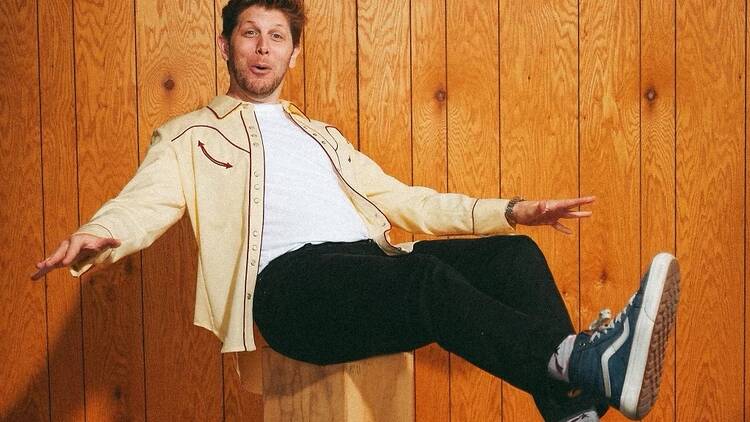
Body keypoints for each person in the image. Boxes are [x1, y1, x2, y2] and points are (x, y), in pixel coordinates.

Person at [31, 0, 680, 420]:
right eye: (249, 34)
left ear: (292, 52)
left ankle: (572, 402)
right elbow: (144, 201)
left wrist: (511, 211)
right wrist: (98, 233)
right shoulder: (189, 137)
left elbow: (406, 202)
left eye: (276, 36)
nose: (262, 47)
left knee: (512, 257)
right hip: (289, 290)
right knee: (425, 282)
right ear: (227, 45)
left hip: (368, 265)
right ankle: (584, 364)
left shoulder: (324, 140)